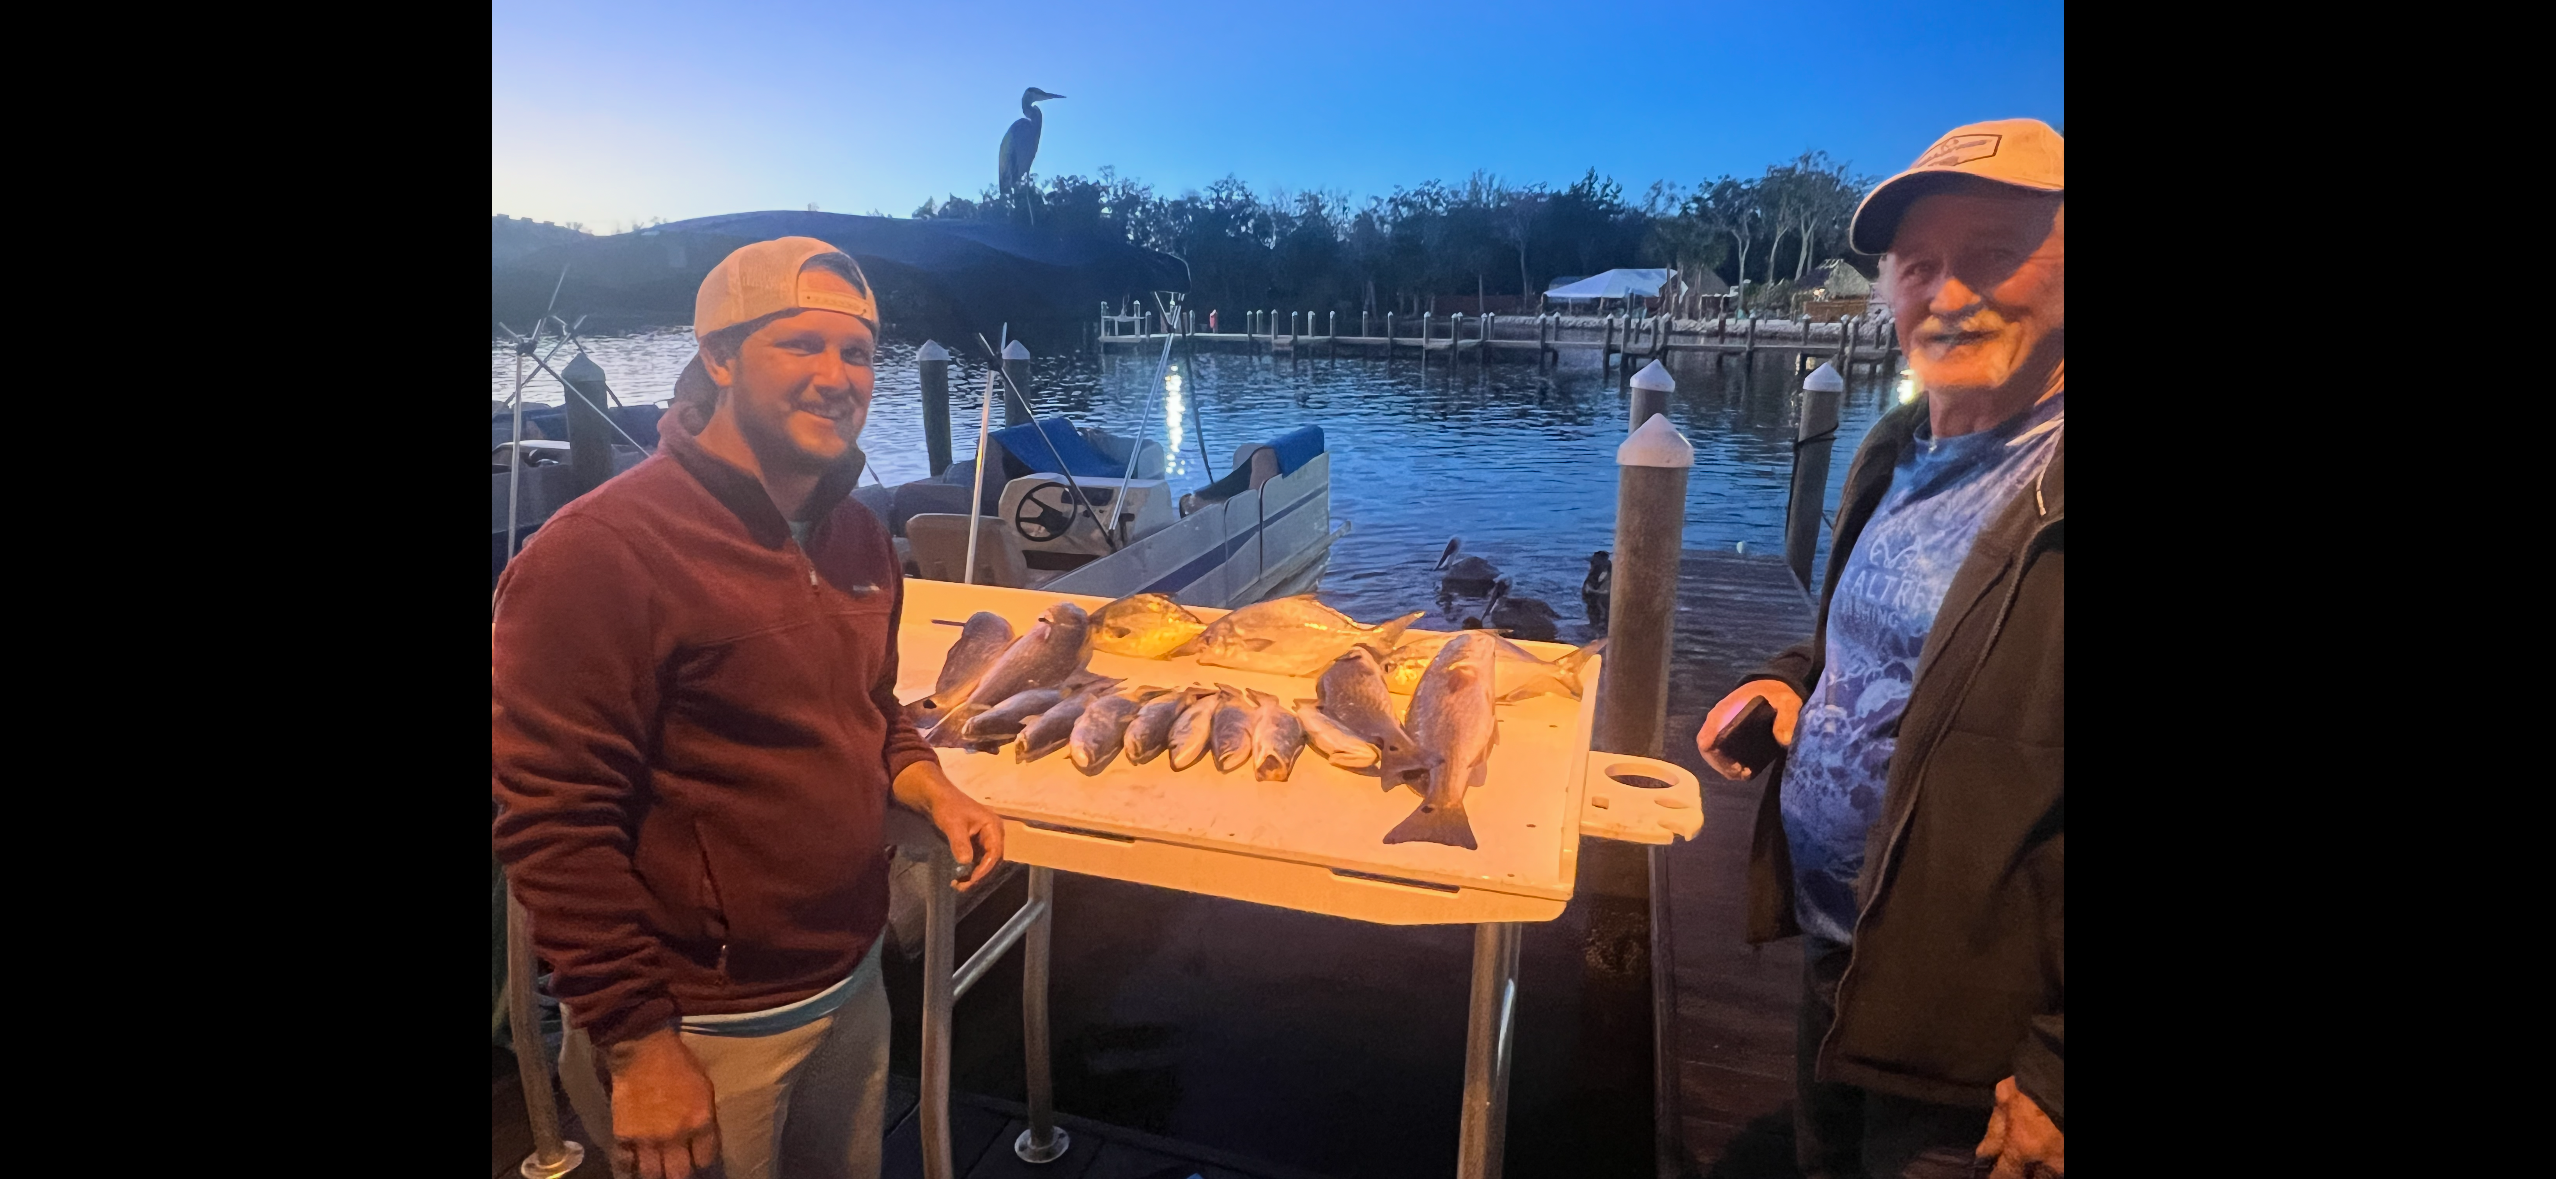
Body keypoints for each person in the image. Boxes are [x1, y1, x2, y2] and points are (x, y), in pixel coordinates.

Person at [493, 237, 1009, 1179]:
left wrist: (925, 780)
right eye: (798, 345)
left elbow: (869, 702)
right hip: (697, 1021)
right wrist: (639, 1045)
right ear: (719, 358)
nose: (836, 376)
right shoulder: (598, 553)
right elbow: (552, 822)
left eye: (856, 353)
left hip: (848, 984)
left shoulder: (857, 530)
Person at [1695, 119, 2064, 1179]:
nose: (1950, 294)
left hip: (1979, 1042)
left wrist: (2058, 1072)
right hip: (1849, 957)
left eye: (1995, 255)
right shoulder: (1900, 448)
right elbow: (1864, 639)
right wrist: (1790, 681)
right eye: (1919, 265)